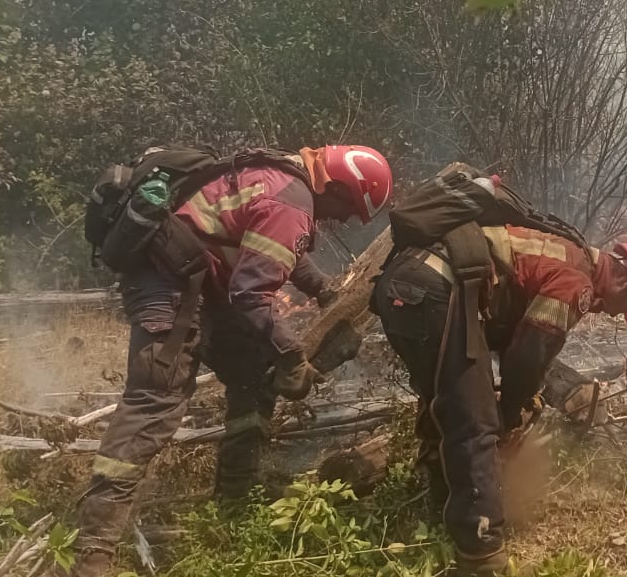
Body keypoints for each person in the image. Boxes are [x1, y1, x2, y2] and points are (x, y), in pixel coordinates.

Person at [64, 144, 392, 577]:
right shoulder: (290, 198)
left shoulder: (283, 183)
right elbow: (250, 296)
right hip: (172, 290)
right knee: (153, 406)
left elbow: (271, 248)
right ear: (337, 185)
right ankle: (93, 553)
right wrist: (292, 353)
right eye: (348, 208)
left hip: (199, 287)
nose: (343, 219)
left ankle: (235, 504)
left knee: (253, 376)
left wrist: (325, 291)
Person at [370, 208, 627, 576]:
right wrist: (508, 417)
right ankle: (481, 556)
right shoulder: (577, 282)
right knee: (476, 422)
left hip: (400, 286)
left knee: (444, 402)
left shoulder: (563, 251)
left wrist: (516, 399)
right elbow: (529, 352)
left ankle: (438, 507)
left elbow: (512, 336)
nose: (614, 315)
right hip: (434, 290)